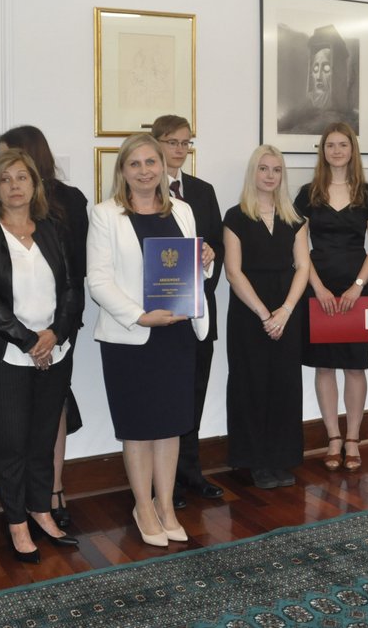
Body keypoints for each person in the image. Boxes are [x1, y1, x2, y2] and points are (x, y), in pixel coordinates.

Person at [87, 133, 209, 547]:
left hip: (176, 334)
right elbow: (98, 280)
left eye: (151, 162)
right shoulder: (105, 215)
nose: (144, 171)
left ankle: (166, 505)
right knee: (139, 428)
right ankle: (143, 506)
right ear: (122, 170)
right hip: (131, 337)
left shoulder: (184, 210)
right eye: (135, 164)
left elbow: (190, 271)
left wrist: (205, 261)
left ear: (162, 166)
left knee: (170, 425)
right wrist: (139, 317)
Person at [0, 149, 84, 563]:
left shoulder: (53, 229)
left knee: (43, 439)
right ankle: (16, 521)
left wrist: (55, 335)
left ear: (35, 184)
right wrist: (30, 341)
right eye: (5, 179)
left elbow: (71, 288)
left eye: (22, 177)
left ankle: (40, 510)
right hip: (9, 356)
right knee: (11, 444)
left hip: (56, 352)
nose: (14, 186)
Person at [293, 123, 368, 472]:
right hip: (319, 288)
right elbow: (299, 246)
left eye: (342, 144)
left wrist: (358, 285)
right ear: (323, 151)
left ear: (352, 149)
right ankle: (333, 437)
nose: (336, 151)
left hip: (356, 291)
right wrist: (317, 288)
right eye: (330, 145)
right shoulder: (308, 194)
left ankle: (353, 439)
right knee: (325, 365)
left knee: (355, 366)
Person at [223, 145, 310, 489]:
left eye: (276, 169)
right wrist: (264, 314)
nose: (270, 175)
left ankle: (281, 458)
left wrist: (285, 311)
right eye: (263, 168)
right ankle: (256, 461)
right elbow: (233, 272)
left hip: (287, 311)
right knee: (251, 385)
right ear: (253, 173)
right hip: (249, 313)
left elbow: (303, 267)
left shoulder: (295, 218)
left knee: (284, 385)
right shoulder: (235, 217)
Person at [151, 114, 226, 503]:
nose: (180, 149)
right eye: (172, 142)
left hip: (199, 312)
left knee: (195, 392)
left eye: (185, 142)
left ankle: (190, 472)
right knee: (163, 397)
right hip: (158, 316)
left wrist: (209, 262)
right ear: (156, 144)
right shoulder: (143, 191)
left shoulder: (202, 191)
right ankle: (161, 482)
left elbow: (217, 245)